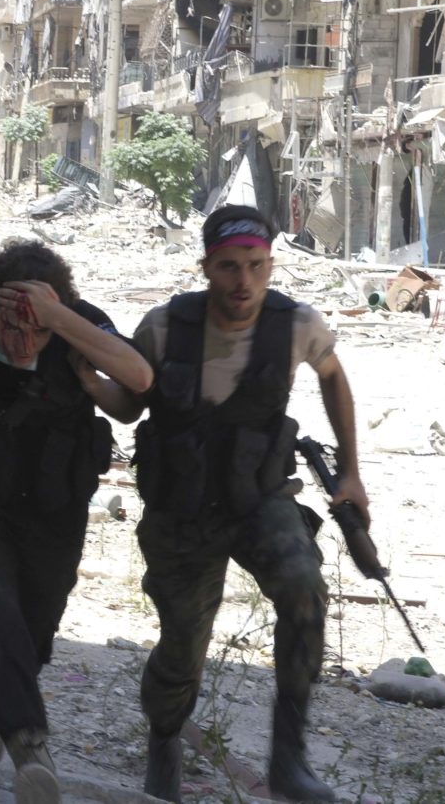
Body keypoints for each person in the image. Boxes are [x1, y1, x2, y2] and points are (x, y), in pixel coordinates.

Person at [118, 205, 367, 803]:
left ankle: (289, 756)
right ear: (206, 267)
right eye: (229, 267)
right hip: (182, 508)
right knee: (183, 641)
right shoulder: (164, 327)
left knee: (303, 587)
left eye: (256, 266)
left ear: (270, 265)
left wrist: (351, 473)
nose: (243, 282)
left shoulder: (295, 324)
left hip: (259, 496)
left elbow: (333, 375)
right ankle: (165, 741)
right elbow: (127, 403)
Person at [0, 241, 153, 803]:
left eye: (38, 330)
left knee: (35, 629)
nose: (24, 341)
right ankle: (31, 748)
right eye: (12, 326)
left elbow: (138, 379)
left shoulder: (79, 326)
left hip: (55, 507)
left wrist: (59, 317)